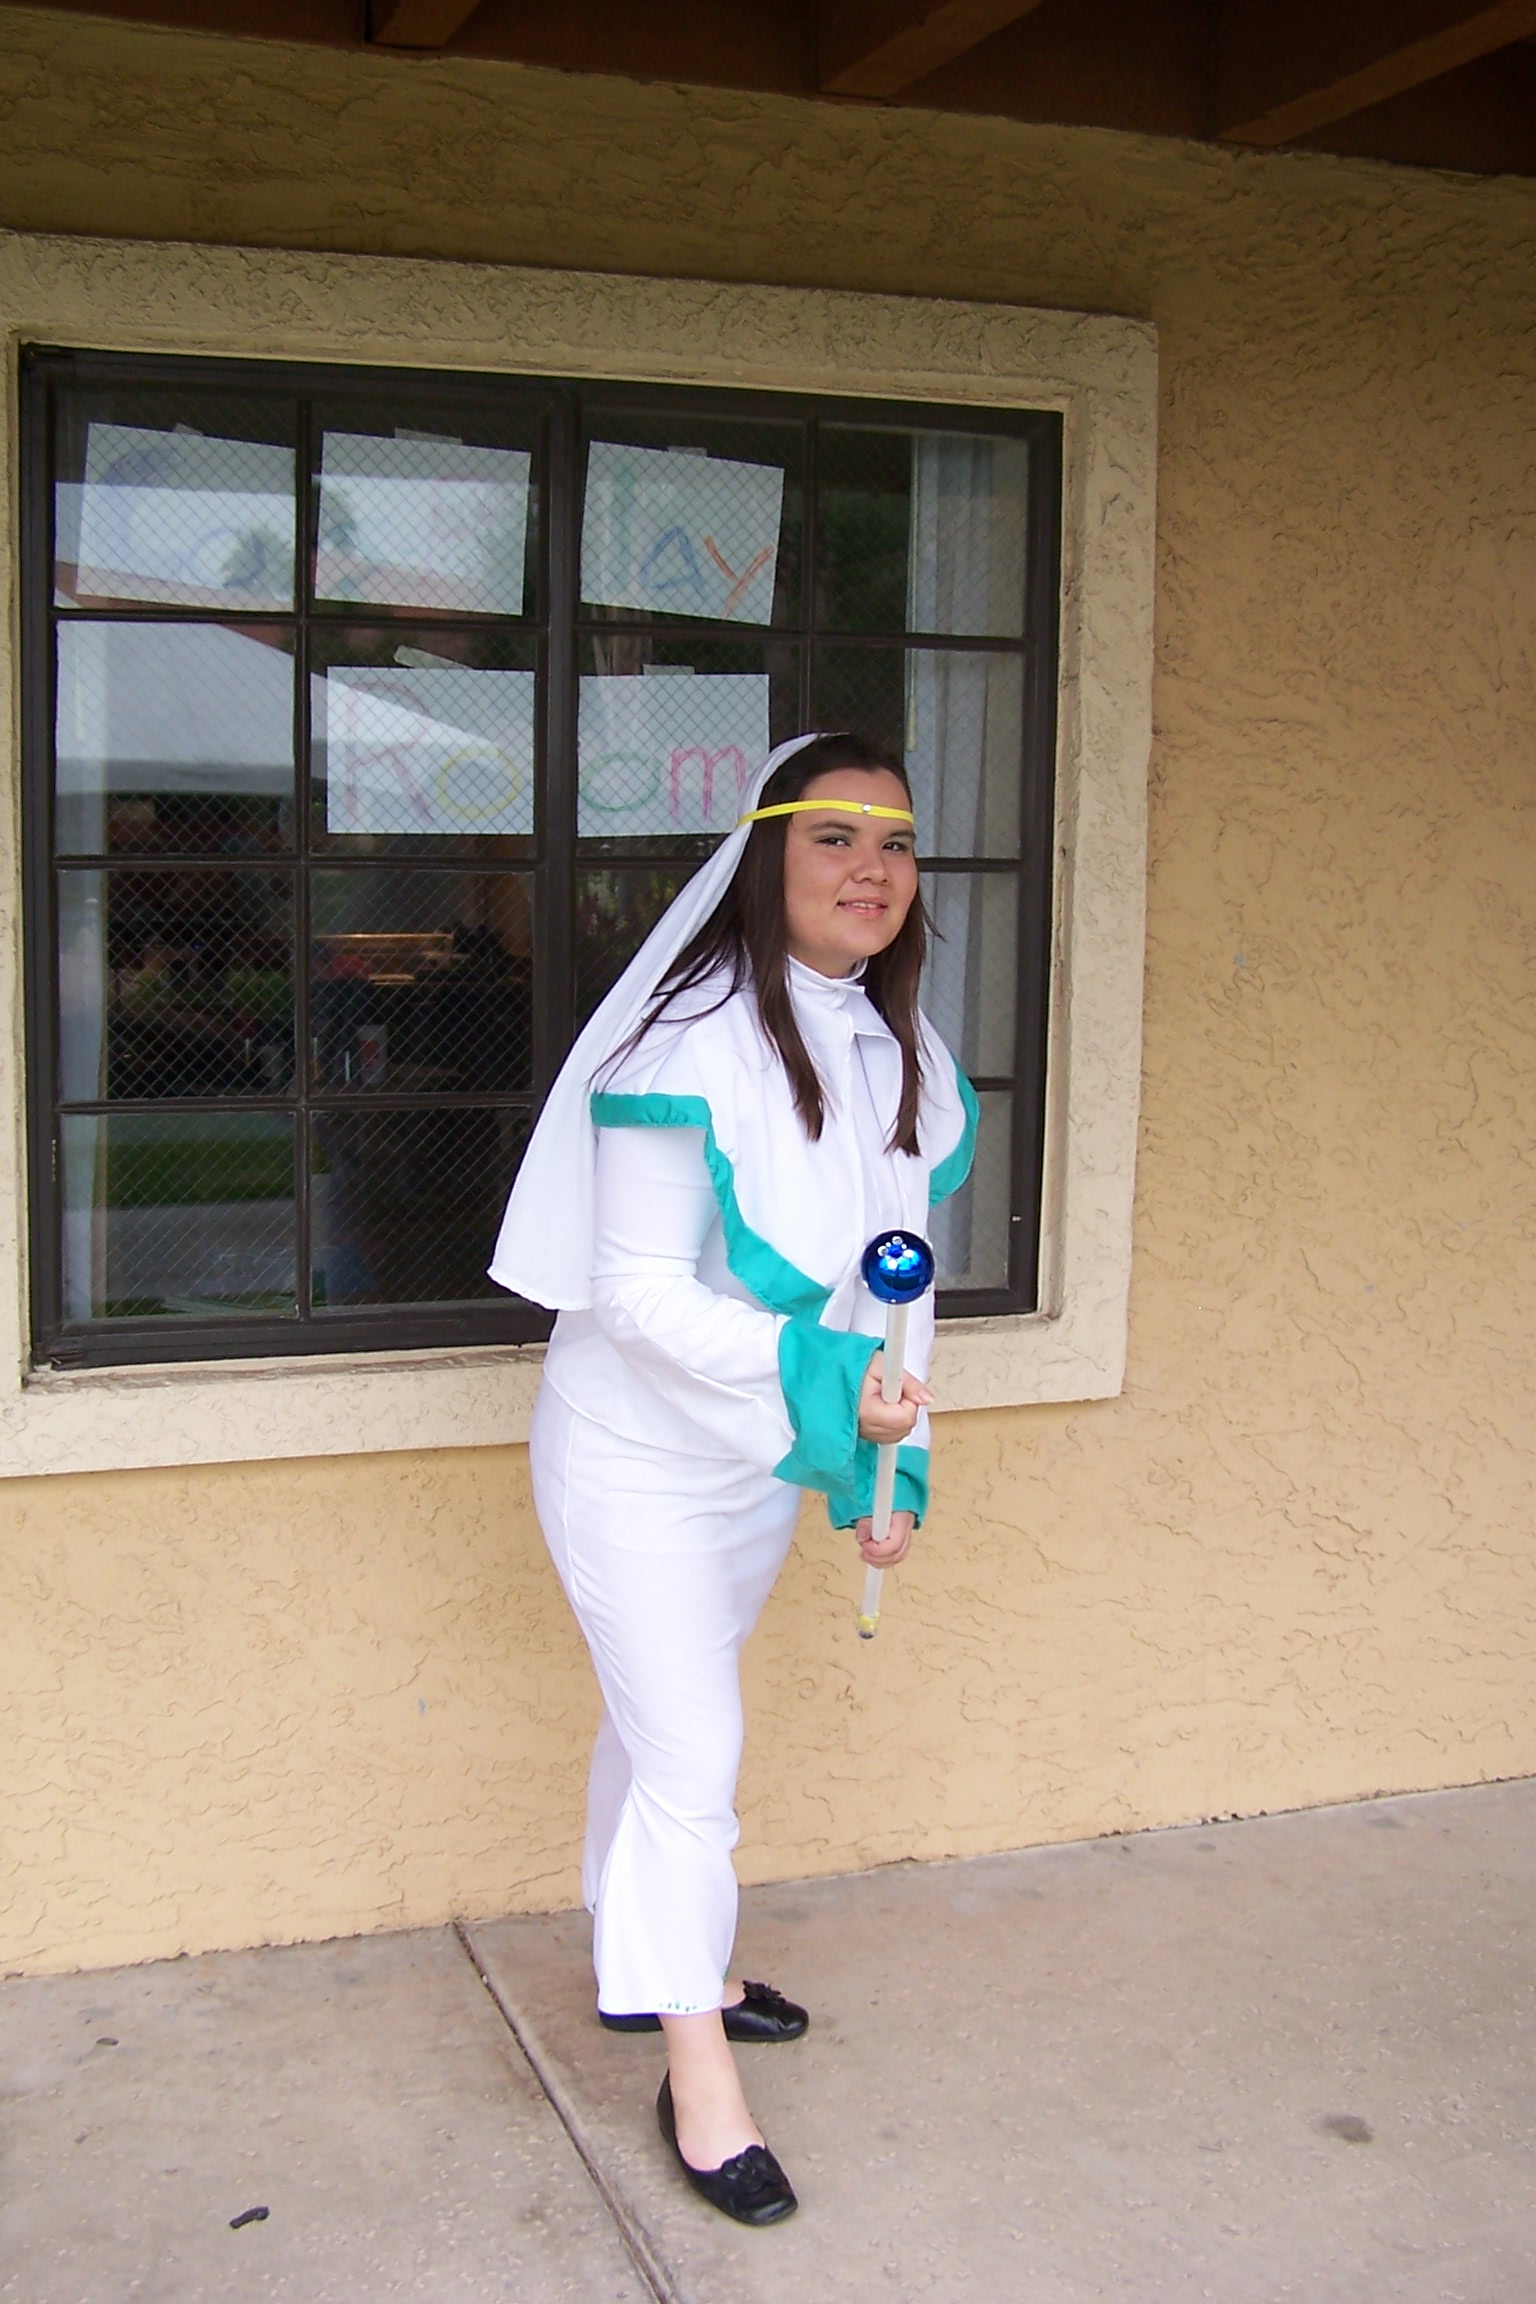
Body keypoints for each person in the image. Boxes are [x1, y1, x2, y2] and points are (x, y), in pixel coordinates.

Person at [488, 730, 977, 2226]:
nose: (872, 868)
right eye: (835, 836)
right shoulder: (683, 1043)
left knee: (658, 1734)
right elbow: (635, 1297)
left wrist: (891, 1465)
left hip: (752, 1462)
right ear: (768, 857)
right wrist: (830, 1388)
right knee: (695, 1755)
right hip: (631, 1460)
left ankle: (646, 1965)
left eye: (896, 842)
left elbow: (894, 1282)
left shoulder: (900, 1050)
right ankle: (697, 2079)